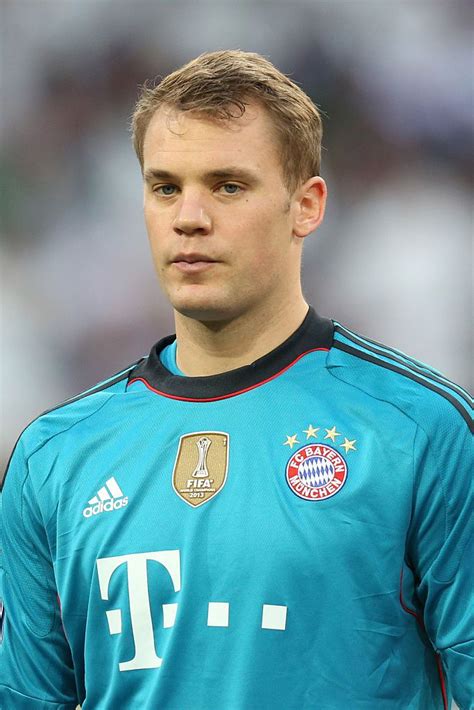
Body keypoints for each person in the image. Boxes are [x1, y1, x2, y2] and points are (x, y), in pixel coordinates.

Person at [0, 49, 471, 710]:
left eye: (228, 185)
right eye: (166, 186)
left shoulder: (420, 430)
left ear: (306, 206)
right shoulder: (54, 457)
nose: (188, 217)